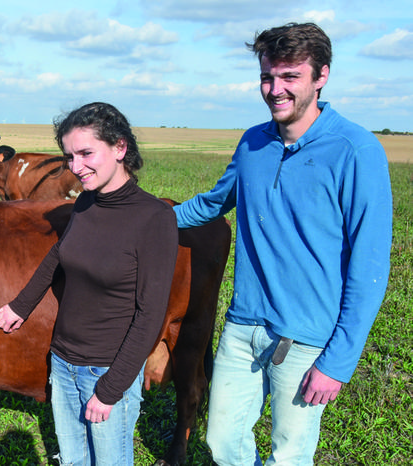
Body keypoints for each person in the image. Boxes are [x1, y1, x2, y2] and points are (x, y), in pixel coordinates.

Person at [166, 23, 392, 465]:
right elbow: (213, 203)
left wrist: (338, 362)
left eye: (290, 77)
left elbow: (369, 268)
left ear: (321, 76)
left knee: (288, 456)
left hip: (306, 340)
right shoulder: (254, 141)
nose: (275, 90)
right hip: (243, 327)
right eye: (268, 77)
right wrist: (142, 219)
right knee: (221, 443)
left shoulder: (355, 151)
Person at [0, 102, 179, 465]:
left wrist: (110, 390)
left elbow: (150, 314)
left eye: (86, 153)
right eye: (69, 156)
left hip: (108, 371)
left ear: (120, 148)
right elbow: (58, 256)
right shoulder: (85, 204)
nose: (75, 167)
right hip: (63, 362)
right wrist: (21, 305)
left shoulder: (154, 219)